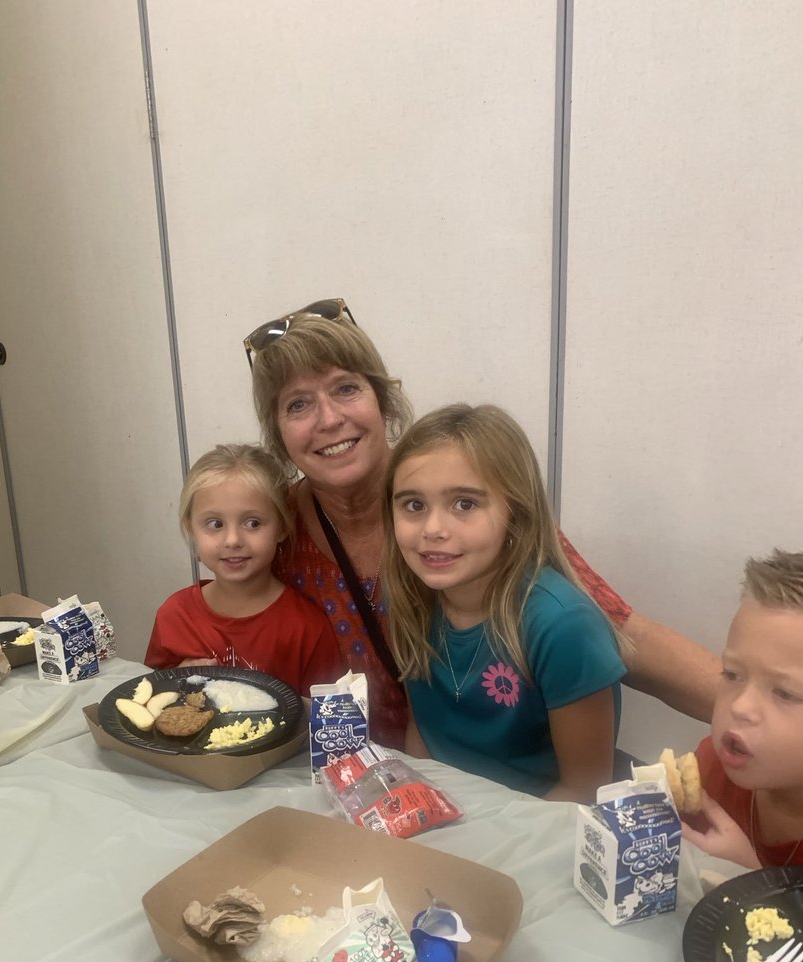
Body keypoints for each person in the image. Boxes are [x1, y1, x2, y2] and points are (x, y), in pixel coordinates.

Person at [248, 298, 720, 749]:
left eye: (346, 388)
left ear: (383, 400)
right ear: (276, 432)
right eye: (297, 405)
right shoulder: (271, 530)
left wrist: (751, 715)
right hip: (344, 778)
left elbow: (618, 633)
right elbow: (231, 620)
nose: (329, 419)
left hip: (487, 783)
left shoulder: (463, 498)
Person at [381, 403, 625, 800]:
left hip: (541, 822)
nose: (433, 529)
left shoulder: (564, 627)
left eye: (465, 504)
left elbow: (582, 790)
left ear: (516, 512)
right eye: (414, 505)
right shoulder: (405, 597)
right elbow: (420, 735)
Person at [145, 443, 344, 694]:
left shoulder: (307, 628)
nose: (232, 540)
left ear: (283, 526)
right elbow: (147, 696)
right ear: (191, 528)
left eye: (253, 523)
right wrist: (174, 681)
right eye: (215, 524)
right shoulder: (174, 616)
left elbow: (328, 711)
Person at [682, 550, 803, 869]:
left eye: (786, 693)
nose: (740, 706)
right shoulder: (711, 767)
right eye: (732, 674)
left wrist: (749, 879)